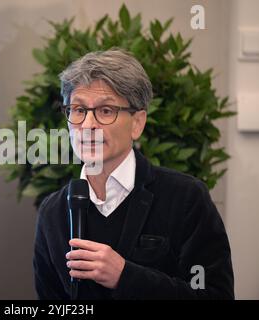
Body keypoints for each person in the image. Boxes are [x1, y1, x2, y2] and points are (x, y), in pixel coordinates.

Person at [33, 48, 234, 299]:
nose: (87, 125)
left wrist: (125, 276)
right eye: (78, 110)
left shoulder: (185, 198)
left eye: (106, 111)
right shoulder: (53, 212)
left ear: (137, 123)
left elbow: (216, 295)